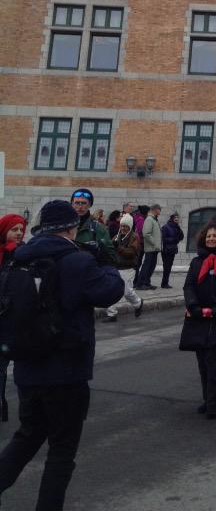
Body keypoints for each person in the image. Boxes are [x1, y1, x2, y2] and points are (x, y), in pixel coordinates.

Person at [0, 200, 123, 510]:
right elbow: (109, 292)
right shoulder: (78, 261)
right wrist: (108, 266)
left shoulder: (19, 259)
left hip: (28, 367)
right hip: (67, 371)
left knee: (27, 436)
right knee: (61, 450)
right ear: (71, 228)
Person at [180, 221, 216, 419]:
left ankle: (213, 402)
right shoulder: (197, 262)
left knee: (212, 359)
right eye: (209, 236)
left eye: (215, 236)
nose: (211, 239)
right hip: (199, 316)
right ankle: (206, 399)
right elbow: (189, 285)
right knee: (201, 360)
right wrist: (193, 304)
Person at [0, 215, 27, 422]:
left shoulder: (25, 254)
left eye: (21, 229)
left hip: (20, 321)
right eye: (14, 229)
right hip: (3, 320)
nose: (18, 233)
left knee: (24, 369)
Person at [104, 215, 144, 322]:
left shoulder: (134, 237)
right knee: (111, 290)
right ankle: (112, 314)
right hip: (116, 266)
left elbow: (131, 252)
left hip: (128, 267)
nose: (123, 228)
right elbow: (110, 247)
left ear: (130, 226)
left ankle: (138, 303)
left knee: (127, 292)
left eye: (125, 226)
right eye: (121, 226)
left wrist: (118, 248)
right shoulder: (117, 236)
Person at [71, 188, 117, 266]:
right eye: (77, 203)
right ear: (72, 204)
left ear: (90, 204)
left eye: (84, 203)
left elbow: (111, 257)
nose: (80, 206)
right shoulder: (64, 227)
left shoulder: (98, 228)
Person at [136, 204, 162, 290]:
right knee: (147, 266)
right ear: (155, 209)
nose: (160, 211)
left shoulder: (154, 219)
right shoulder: (149, 219)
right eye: (159, 209)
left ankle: (147, 282)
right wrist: (154, 243)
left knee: (151, 266)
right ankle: (140, 284)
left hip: (155, 248)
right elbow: (146, 234)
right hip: (151, 248)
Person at [161, 213, 185, 288]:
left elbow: (181, 237)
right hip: (166, 250)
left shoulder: (176, 227)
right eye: (175, 218)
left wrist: (179, 228)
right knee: (167, 266)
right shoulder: (166, 227)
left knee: (169, 266)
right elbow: (163, 239)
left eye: (178, 218)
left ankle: (165, 283)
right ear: (172, 219)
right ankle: (164, 283)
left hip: (173, 249)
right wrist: (174, 239)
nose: (177, 219)